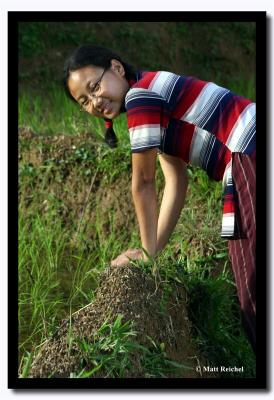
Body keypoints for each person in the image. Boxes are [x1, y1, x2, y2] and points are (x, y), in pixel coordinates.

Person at [63, 44, 256, 353]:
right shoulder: (150, 92)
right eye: (84, 101)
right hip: (249, 155)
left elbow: (143, 183)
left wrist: (146, 251)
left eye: (95, 87)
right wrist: (151, 250)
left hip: (250, 155)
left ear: (117, 68)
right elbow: (176, 182)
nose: (95, 102)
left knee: (253, 291)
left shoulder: (140, 97)